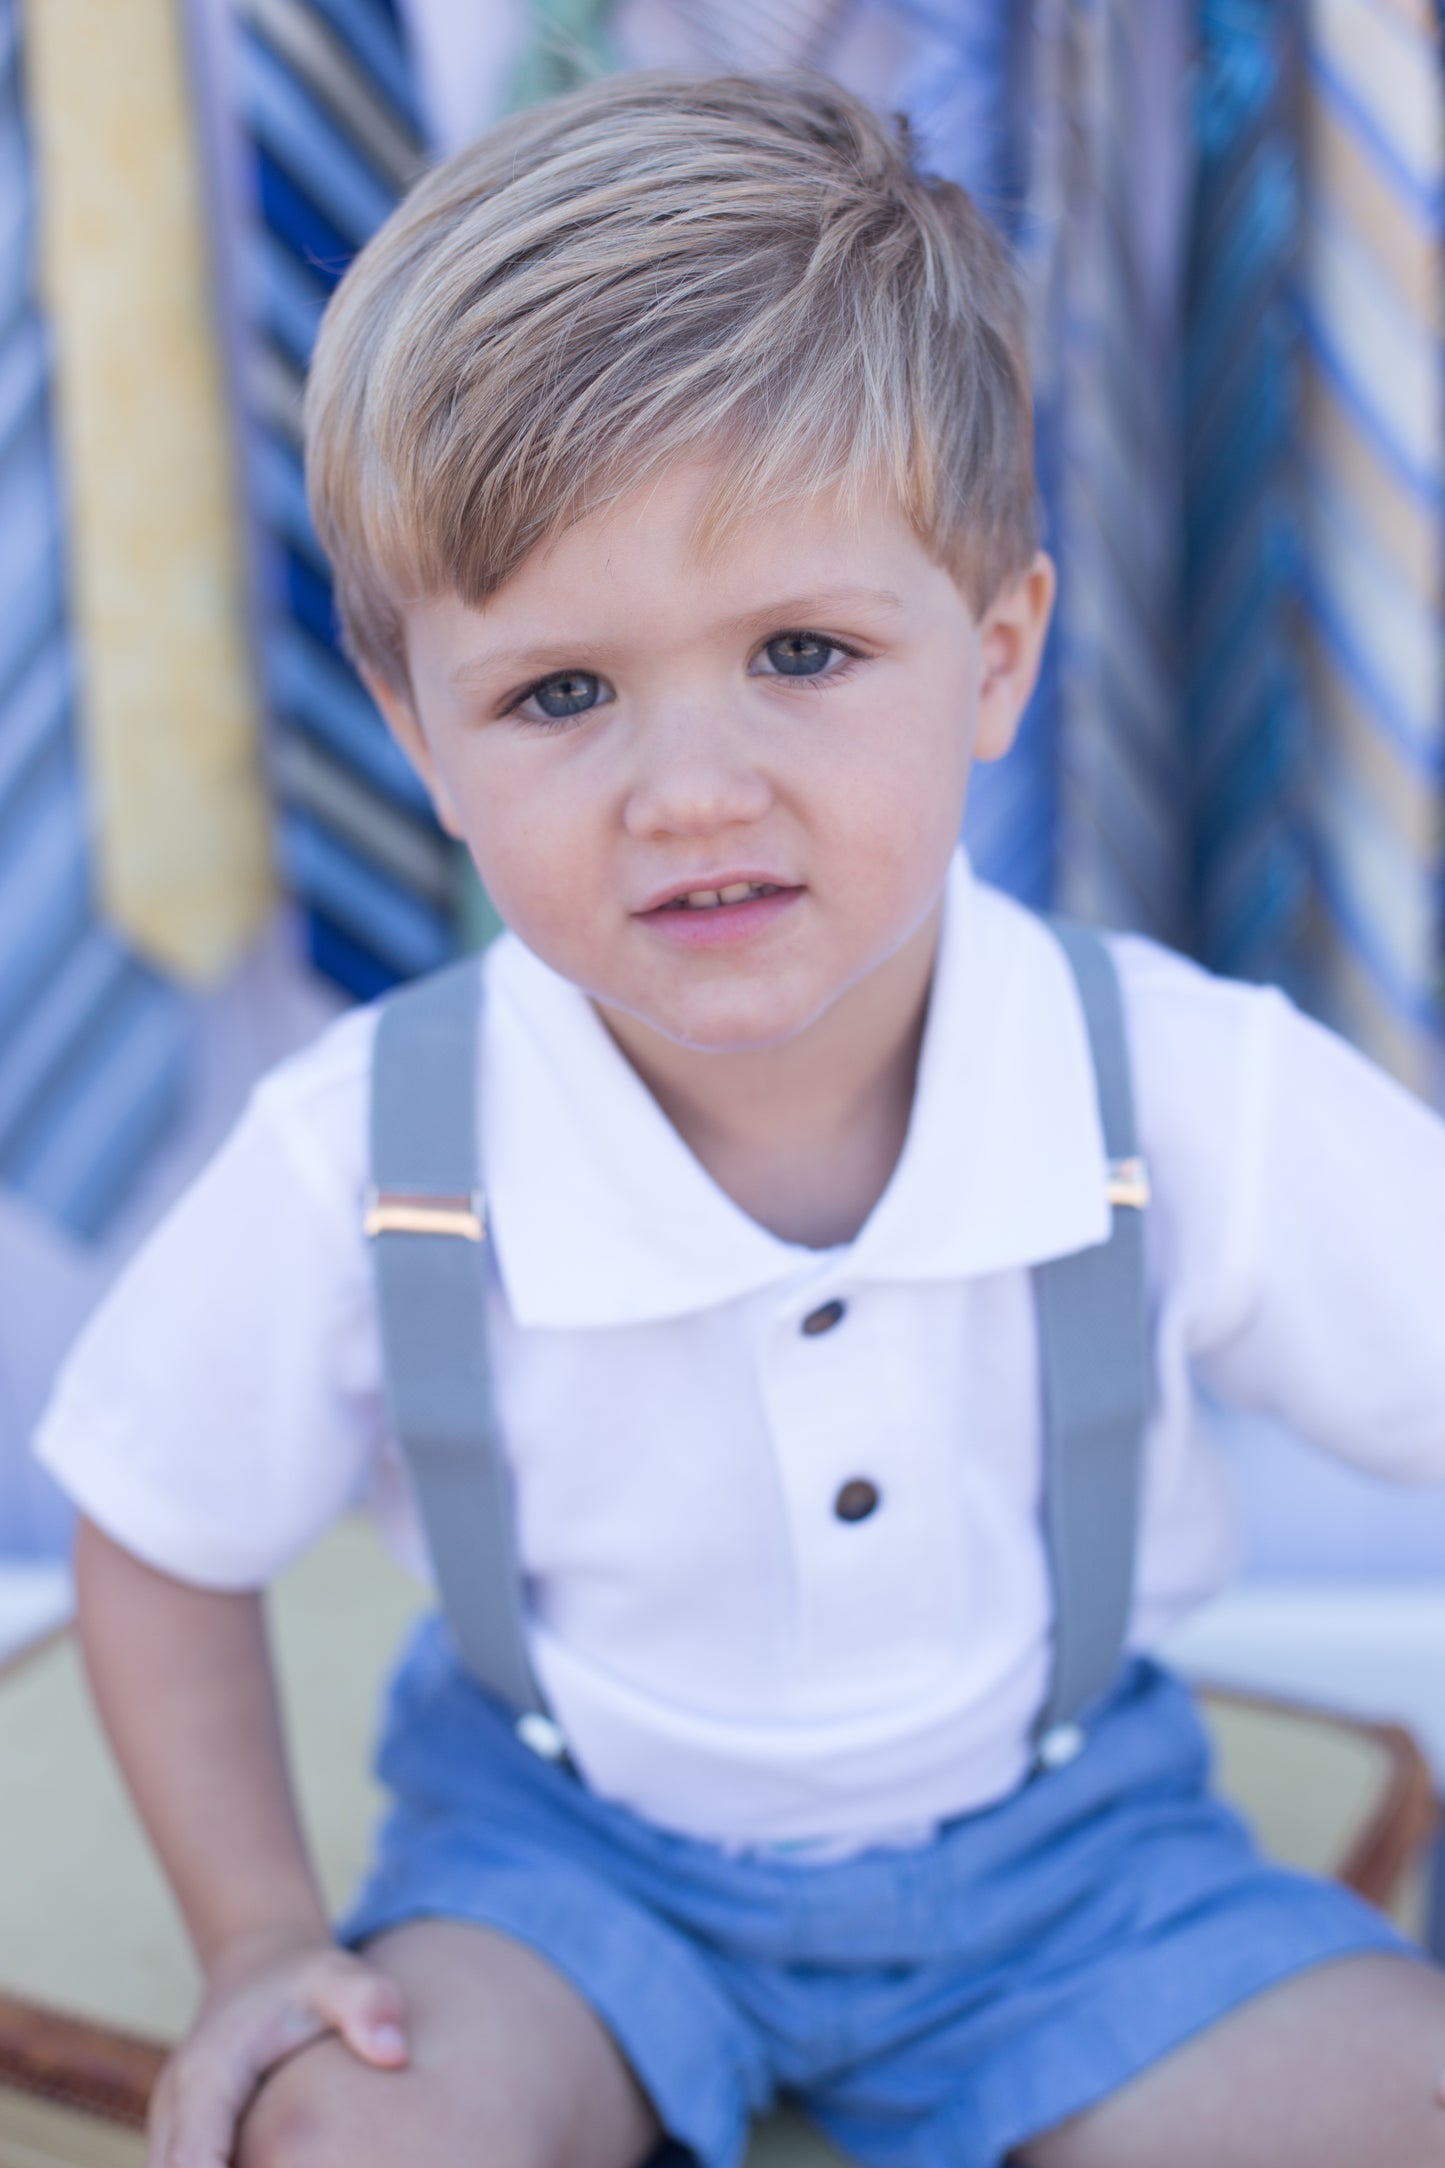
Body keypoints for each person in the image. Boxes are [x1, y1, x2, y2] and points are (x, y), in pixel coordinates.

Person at [34, 69, 1445, 2168]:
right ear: (419, 732)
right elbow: (154, 1530)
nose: (692, 786)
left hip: (1073, 1871)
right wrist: (253, 1933)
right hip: (568, 1875)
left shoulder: (1173, 1084)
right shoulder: (375, 1147)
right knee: (342, 2134)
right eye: (561, 694)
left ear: (993, 658)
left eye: (800, 648)